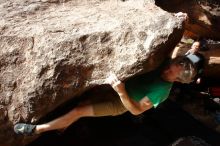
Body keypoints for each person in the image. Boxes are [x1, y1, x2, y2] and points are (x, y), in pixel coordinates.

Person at [14, 56, 197, 136]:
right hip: (116, 88)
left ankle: (37, 130)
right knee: (83, 102)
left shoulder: (162, 92)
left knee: (79, 110)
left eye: (170, 72)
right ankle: (62, 126)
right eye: (169, 66)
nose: (166, 70)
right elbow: (170, 52)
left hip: (121, 103)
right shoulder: (166, 62)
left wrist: (121, 92)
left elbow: (135, 111)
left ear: (178, 80)